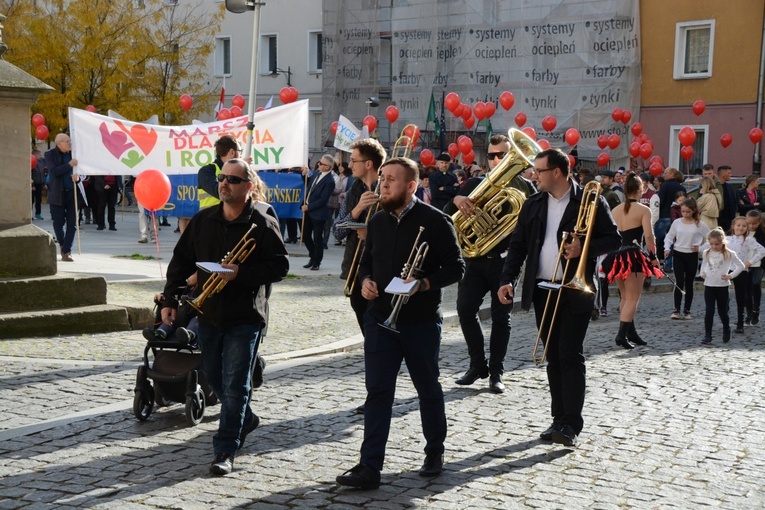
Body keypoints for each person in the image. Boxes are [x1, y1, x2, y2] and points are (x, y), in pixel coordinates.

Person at [336, 157, 464, 489]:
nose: (384, 184)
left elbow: (456, 267)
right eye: (382, 178)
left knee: (427, 388)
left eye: (392, 179)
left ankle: (434, 451)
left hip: (419, 322)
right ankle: (369, 467)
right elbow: (366, 261)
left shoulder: (437, 221)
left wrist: (423, 284)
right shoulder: (377, 220)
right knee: (378, 393)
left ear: (411, 186)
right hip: (380, 319)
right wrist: (365, 281)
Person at [161, 158, 289, 476]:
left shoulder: (260, 221)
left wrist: (240, 273)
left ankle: (225, 448)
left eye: (233, 179)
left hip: (245, 315)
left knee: (235, 385)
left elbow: (280, 267)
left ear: (248, 186)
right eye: (222, 177)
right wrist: (169, 298)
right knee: (213, 375)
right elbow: (180, 261)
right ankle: (246, 419)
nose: (225, 183)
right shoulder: (204, 220)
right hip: (209, 313)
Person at [497, 148, 621, 447]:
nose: (534, 176)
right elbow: (518, 246)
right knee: (552, 356)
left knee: (569, 353)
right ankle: (558, 419)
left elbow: (614, 239)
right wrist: (506, 280)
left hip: (575, 288)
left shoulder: (590, 200)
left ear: (557, 172)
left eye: (539, 171)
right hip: (542, 286)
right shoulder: (533, 203)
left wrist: (583, 249)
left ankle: (571, 424)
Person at [445, 133, 528, 393]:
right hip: (475, 260)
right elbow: (448, 214)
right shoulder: (474, 183)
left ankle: (496, 372)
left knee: (501, 318)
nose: (495, 160)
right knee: (465, 310)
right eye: (491, 155)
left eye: (501, 155)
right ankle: (477, 365)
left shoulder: (526, 188)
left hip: (505, 263)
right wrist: (456, 200)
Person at [602, 173, 662, 349]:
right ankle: (621, 335)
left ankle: (631, 333)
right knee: (633, 298)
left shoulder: (615, 210)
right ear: (641, 189)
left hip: (617, 255)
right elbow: (649, 237)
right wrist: (653, 257)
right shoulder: (644, 210)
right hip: (632, 256)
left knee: (625, 297)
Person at [334, 138, 387, 331]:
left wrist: (371, 234)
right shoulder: (352, 192)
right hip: (355, 268)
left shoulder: (388, 189)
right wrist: (357, 209)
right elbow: (337, 232)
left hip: (382, 268)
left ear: (368, 164)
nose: (350, 165)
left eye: (354, 161)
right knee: (362, 316)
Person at [664, 198, 711, 320]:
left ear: (693, 211)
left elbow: (712, 238)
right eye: (683, 211)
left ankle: (687, 310)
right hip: (678, 253)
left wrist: (701, 248)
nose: (685, 214)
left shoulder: (699, 224)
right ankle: (676, 309)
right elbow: (669, 236)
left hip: (692, 255)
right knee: (679, 282)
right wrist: (666, 248)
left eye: (688, 212)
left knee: (689, 283)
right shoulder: (677, 222)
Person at [699, 229, 745, 344]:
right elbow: (704, 264)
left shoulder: (729, 253)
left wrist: (731, 275)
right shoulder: (706, 252)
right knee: (709, 311)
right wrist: (702, 273)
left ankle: (726, 329)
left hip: (722, 286)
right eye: (712, 244)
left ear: (722, 242)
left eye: (717, 244)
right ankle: (707, 334)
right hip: (709, 285)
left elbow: (741, 266)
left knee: (722, 311)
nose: (714, 246)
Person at [727, 217, 765, 333]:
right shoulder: (727, 239)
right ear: (733, 226)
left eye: (744, 226)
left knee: (741, 297)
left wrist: (749, 262)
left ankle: (740, 323)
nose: (741, 228)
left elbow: (762, 250)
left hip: (741, 270)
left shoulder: (749, 240)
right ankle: (725, 319)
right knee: (723, 295)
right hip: (727, 270)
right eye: (738, 225)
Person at [45, 133, 79, 262]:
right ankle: (62, 244)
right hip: (57, 194)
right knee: (58, 223)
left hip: (72, 192)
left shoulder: (74, 154)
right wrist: (69, 165)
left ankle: (67, 251)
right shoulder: (50, 154)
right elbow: (54, 172)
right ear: (59, 143)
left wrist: (79, 178)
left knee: (72, 223)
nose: (70, 143)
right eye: (68, 141)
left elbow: (82, 171)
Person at [301, 154, 336, 270]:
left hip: (318, 213)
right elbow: (309, 183)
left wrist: (309, 207)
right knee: (305, 235)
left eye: (321, 163)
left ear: (327, 167)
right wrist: (304, 175)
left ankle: (317, 262)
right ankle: (312, 255)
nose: (318, 164)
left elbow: (323, 199)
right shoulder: (317, 173)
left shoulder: (330, 181)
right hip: (308, 210)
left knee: (317, 239)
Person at [656, 167, 686, 264]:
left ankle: (658, 258)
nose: (663, 175)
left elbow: (660, 200)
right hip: (677, 217)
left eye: (665, 173)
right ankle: (669, 263)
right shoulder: (681, 187)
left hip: (665, 216)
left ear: (672, 174)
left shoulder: (665, 186)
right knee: (673, 240)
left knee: (658, 239)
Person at [746, 210, 765, 325]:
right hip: (745, 263)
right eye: (749, 223)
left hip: (759, 263)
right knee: (746, 290)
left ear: (759, 223)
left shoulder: (762, 234)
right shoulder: (743, 232)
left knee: (755, 283)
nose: (751, 226)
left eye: (754, 223)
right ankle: (749, 312)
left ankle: (755, 309)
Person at [717, 165, 738, 232]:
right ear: (723, 174)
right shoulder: (714, 187)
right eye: (729, 173)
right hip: (717, 217)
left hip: (728, 219)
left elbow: (733, 202)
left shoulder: (729, 187)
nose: (730, 175)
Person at [31, 149, 46, 220]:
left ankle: (38, 213)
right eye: (39, 155)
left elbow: (42, 174)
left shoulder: (40, 163)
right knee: (31, 200)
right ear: (35, 155)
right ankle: (30, 214)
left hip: (39, 184)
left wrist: (44, 183)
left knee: (38, 199)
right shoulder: (31, 162)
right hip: (34, 184)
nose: (40, 156)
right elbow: (30, 175)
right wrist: (32, 185)